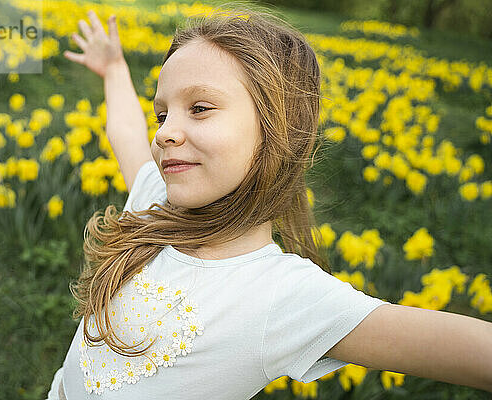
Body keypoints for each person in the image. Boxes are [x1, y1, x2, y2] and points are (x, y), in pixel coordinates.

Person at [48, 4, 492, 399]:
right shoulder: (155, 202)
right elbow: (126, 131)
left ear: (275, 131)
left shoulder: (283, 298)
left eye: (199, 108)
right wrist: (114, 69)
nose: (163, 132)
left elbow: (468, 350)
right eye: (162, 113)